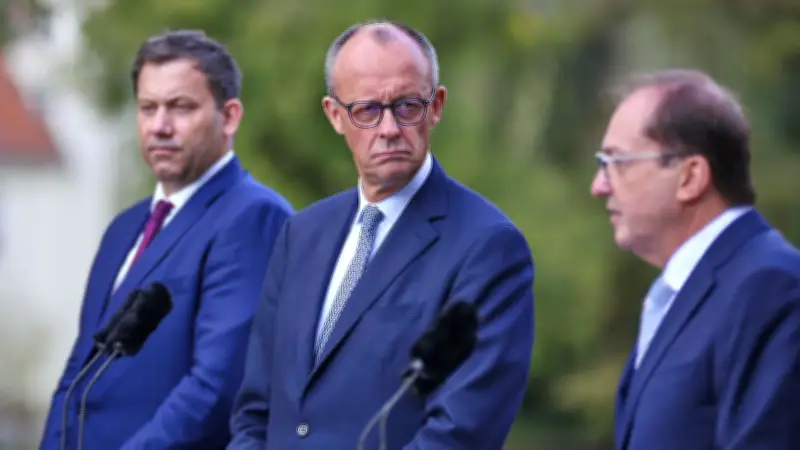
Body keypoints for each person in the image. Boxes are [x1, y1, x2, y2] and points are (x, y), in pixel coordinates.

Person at [228, 21, 534, 450]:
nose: (389, 129)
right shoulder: (301, 234)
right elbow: (255, 410)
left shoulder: (488, 247)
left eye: (407, 106)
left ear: (436, 105)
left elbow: (461, 433)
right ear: (335, 115)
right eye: (368, 110)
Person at [38, 30, 293, 450]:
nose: (160, 126)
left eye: (180, 107)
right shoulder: (123, 229)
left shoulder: (253, 217)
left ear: (229, 116)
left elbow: (217, 387)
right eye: (148, 108)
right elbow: (77, 374)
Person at [592, 69, 800, 450]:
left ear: (690, 176)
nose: (599, 185)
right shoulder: (687, 291)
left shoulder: (770, 287)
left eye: (618, 162)